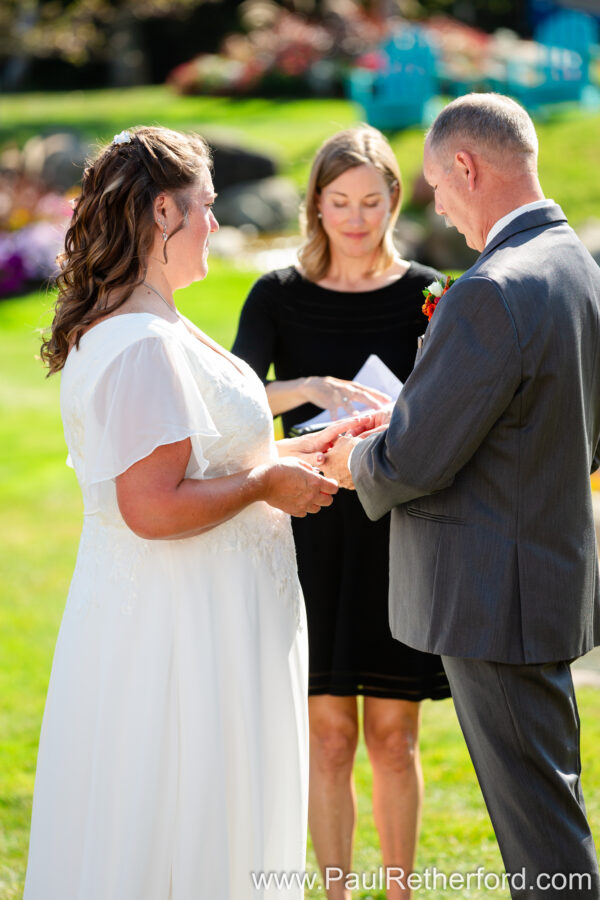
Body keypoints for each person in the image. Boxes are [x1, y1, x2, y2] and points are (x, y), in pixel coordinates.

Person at [23, 125, 354, 900]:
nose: (216, 222)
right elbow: (151, 507)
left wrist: (300, 453)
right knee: (180, 812)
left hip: (204, 612)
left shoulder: (150, 320)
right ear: (164, 214)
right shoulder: (140, 341)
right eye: (206, 207)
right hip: (184, 632)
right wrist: (265, 487)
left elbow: (207, 454)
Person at [322, 94, 600, 899]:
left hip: (493, 598)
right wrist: (416, 410)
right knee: (549, 808)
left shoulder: (491, 289)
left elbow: (409, 460)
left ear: (468, 168)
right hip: (544, 579)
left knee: (542, 833)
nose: (437, 204)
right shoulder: (577, 263)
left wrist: (353, 460)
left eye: (438, 186)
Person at [232, 126, 451, 900]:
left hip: (401, 532)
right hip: (309, 533)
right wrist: (315, 388)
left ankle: (397, 893)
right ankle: (333, 895)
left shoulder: (433, 291)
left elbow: (459, 406)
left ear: (395, 198)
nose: (356, 218)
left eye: (372, 199)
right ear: (315, 206)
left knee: (395, 740)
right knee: (327, 738)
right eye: (339, 202)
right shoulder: (277, 294)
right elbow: (236, 401)